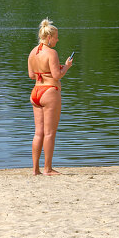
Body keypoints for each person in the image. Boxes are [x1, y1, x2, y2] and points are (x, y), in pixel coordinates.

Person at [27, 18, 73, 177]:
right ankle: (48, 169)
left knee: (38, 132)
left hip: (36, 93)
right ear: (49, 37)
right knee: (49, 133)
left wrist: (47, 71)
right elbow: (57, 75)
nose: (58, 39)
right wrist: (66, 66)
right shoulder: (52, 53)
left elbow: (31, 75)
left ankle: (35, 170)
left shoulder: (33, 52)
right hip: (49, 92)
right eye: (56, 37)